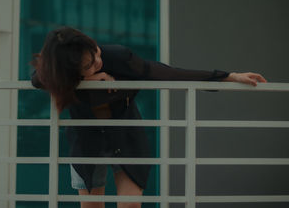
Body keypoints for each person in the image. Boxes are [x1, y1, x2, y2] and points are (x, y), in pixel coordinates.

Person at [31, 26, 267, 208]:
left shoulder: (119, 57)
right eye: (90, 65)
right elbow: (37, 79)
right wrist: (87, 82)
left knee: (131, 204)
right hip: (87, 142)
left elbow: (170, 74)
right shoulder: (58, 73)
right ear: (70, 72)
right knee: (92, 206)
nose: (98, 61)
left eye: (95, 51)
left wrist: (229, 76)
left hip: (126, 136)